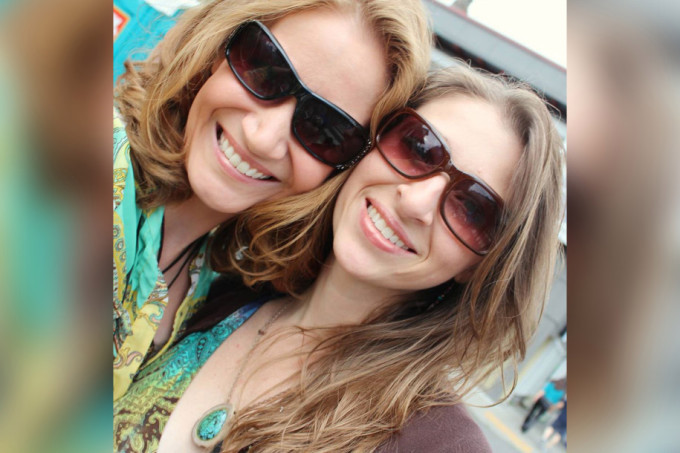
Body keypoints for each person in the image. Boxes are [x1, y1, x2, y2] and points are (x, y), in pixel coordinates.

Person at [114, 64, 564, 452]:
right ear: (368, 145)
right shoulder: (225, 284)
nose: (415, 203)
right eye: (418, 146)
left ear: (483, 265)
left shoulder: (437, 442)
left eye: (473, 209)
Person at [112, 0, 431, 401]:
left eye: (325, 129)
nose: (263, 139)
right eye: (263, 69)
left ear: (343, 169)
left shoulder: (212, 284)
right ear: (217, 46)